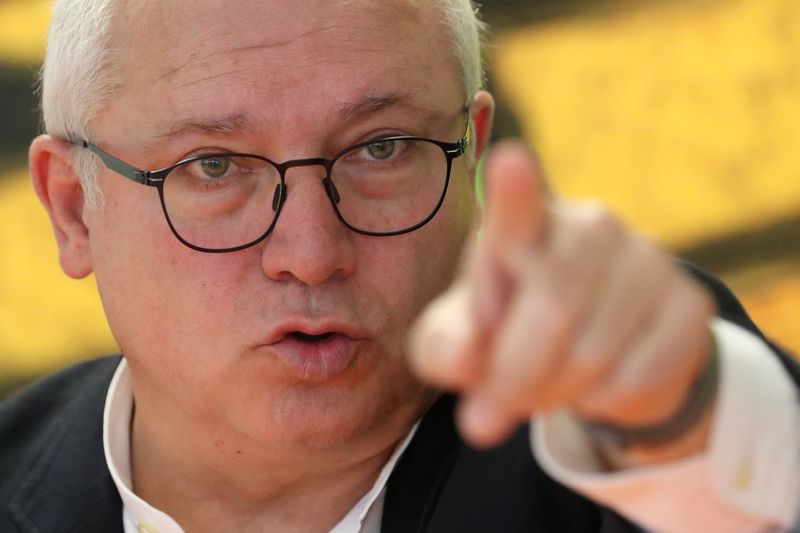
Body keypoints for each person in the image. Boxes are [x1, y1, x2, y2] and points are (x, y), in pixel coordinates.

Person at [2, 0, 798, 531]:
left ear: (473, 160)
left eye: (383, 148)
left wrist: (698, 417)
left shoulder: (627, 429)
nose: (312, 254)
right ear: (74, 208)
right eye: (214, 166)